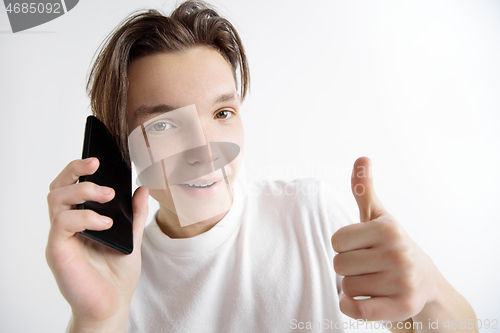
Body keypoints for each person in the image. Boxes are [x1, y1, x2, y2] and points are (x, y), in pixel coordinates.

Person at [46, 1, 478, 332]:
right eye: (163, 124)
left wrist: (431, 293)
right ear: (122, 150)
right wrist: (99, 317)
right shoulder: (117, 271)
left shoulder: (311, 214)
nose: (205, 150)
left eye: (222, 114)